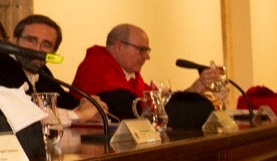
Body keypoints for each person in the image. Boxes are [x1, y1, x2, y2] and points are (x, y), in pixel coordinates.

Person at [0, 12, 103, 126]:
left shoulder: (42, 72)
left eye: (46, 44)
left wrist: (92, 106)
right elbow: (22, 114)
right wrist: (79, 115)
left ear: (52, 53)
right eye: (31, 40)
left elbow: (67, 103)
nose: (37, 49)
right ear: (14, 42)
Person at [68, 23, 221, 112]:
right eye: (141, 50)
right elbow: (136, 108)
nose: (147, 57)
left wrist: (195, 89)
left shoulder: (129, 73)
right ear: (119, 46)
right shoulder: (97, 64)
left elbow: (160, 103)